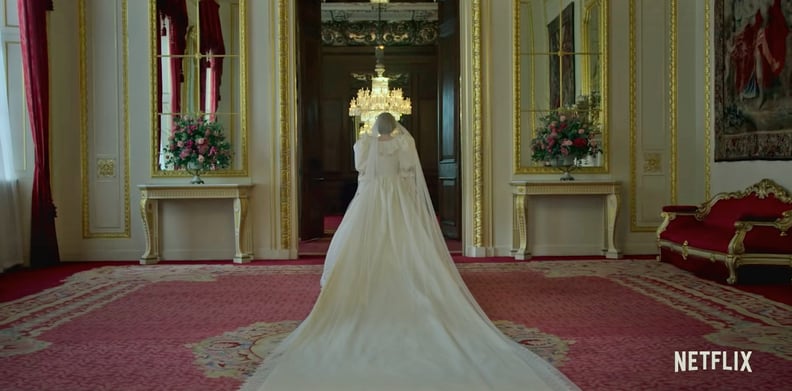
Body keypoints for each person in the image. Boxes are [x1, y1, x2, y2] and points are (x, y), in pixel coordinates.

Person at [240, 112, 579, 391]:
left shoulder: (362, 144)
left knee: (364, 245)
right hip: (396, 201)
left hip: (369, 202)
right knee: (407, 245)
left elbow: (362, 172)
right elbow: (407, 174)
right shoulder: (405, 144)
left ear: (375, 127)